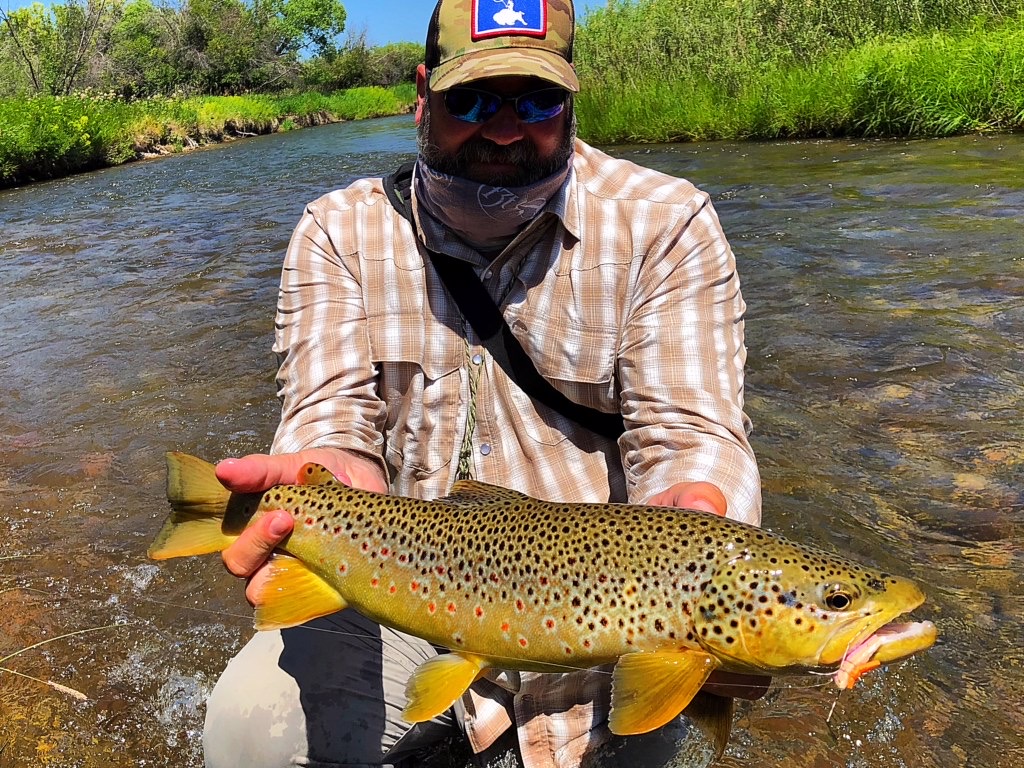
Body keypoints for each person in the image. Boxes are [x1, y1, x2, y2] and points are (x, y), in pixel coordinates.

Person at [203, 0, 767, 766]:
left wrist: (696, 512)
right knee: (249, 728)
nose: (504, 129)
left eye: (537, 101)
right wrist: (324, 477)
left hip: (609, 608)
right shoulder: (337, 232)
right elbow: (329, 421)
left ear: (571, 101)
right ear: (421, 95)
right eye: (470, 100)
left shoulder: (666, 223)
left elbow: (691, 435)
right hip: (411, 588)